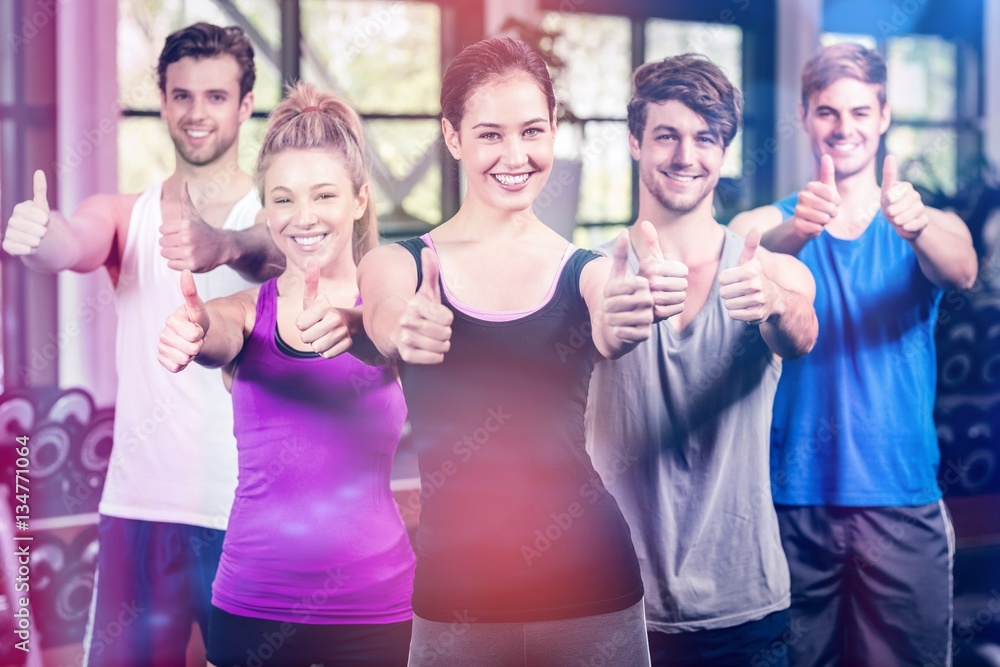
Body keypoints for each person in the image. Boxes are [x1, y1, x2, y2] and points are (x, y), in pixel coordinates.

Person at [358, 36, 655, 667]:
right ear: (453, 136)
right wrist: (401, 330)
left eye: (532, 131)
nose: (515, 155)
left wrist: (626, 313)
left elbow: (611, 315)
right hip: (456, 603)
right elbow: (383, 315)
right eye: (490, 134)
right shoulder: (399, 263)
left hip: (592, 591)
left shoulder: (586, 270)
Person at [2, 22, 284, 665]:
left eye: (216, 97)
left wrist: (223, 244)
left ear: (244, 106)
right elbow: (73, 243)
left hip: (243, 513)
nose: (196, 113)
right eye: (182, 95)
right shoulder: (125, 212)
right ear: (162, 100)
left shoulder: (273, 217)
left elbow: (269, 254)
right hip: (140, 509)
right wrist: (41, 236)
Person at [729, 42, 978, 666]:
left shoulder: (921, 223)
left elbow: (964, 269)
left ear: (885, 115)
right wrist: (795, 235)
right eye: (828, 112)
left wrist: (916, 222)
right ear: (807, 116)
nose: (845, 128)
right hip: (792, 502)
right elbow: (737, 254)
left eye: (860, 111)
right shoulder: (772, 223)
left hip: (900, 499)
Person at [156, 82, 415, 666]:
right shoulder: (246, 314)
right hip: (252, 606)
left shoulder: (395, 311)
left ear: (359, 199)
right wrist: (191, 330)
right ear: (265, 210)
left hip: (381, 609)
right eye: (283, 199)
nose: (303, 218)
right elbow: (216, 331)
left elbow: (403, 333)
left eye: (323, 195)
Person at [585, 54, 818, 667]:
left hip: (747, 609)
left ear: (725, 151)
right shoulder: (591, 278)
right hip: (612, 605)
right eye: (667, 135)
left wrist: (772, 304)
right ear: (635, 142)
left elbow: (802, 329)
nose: (686, 155)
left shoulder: (772, 271)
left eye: (705, 138)